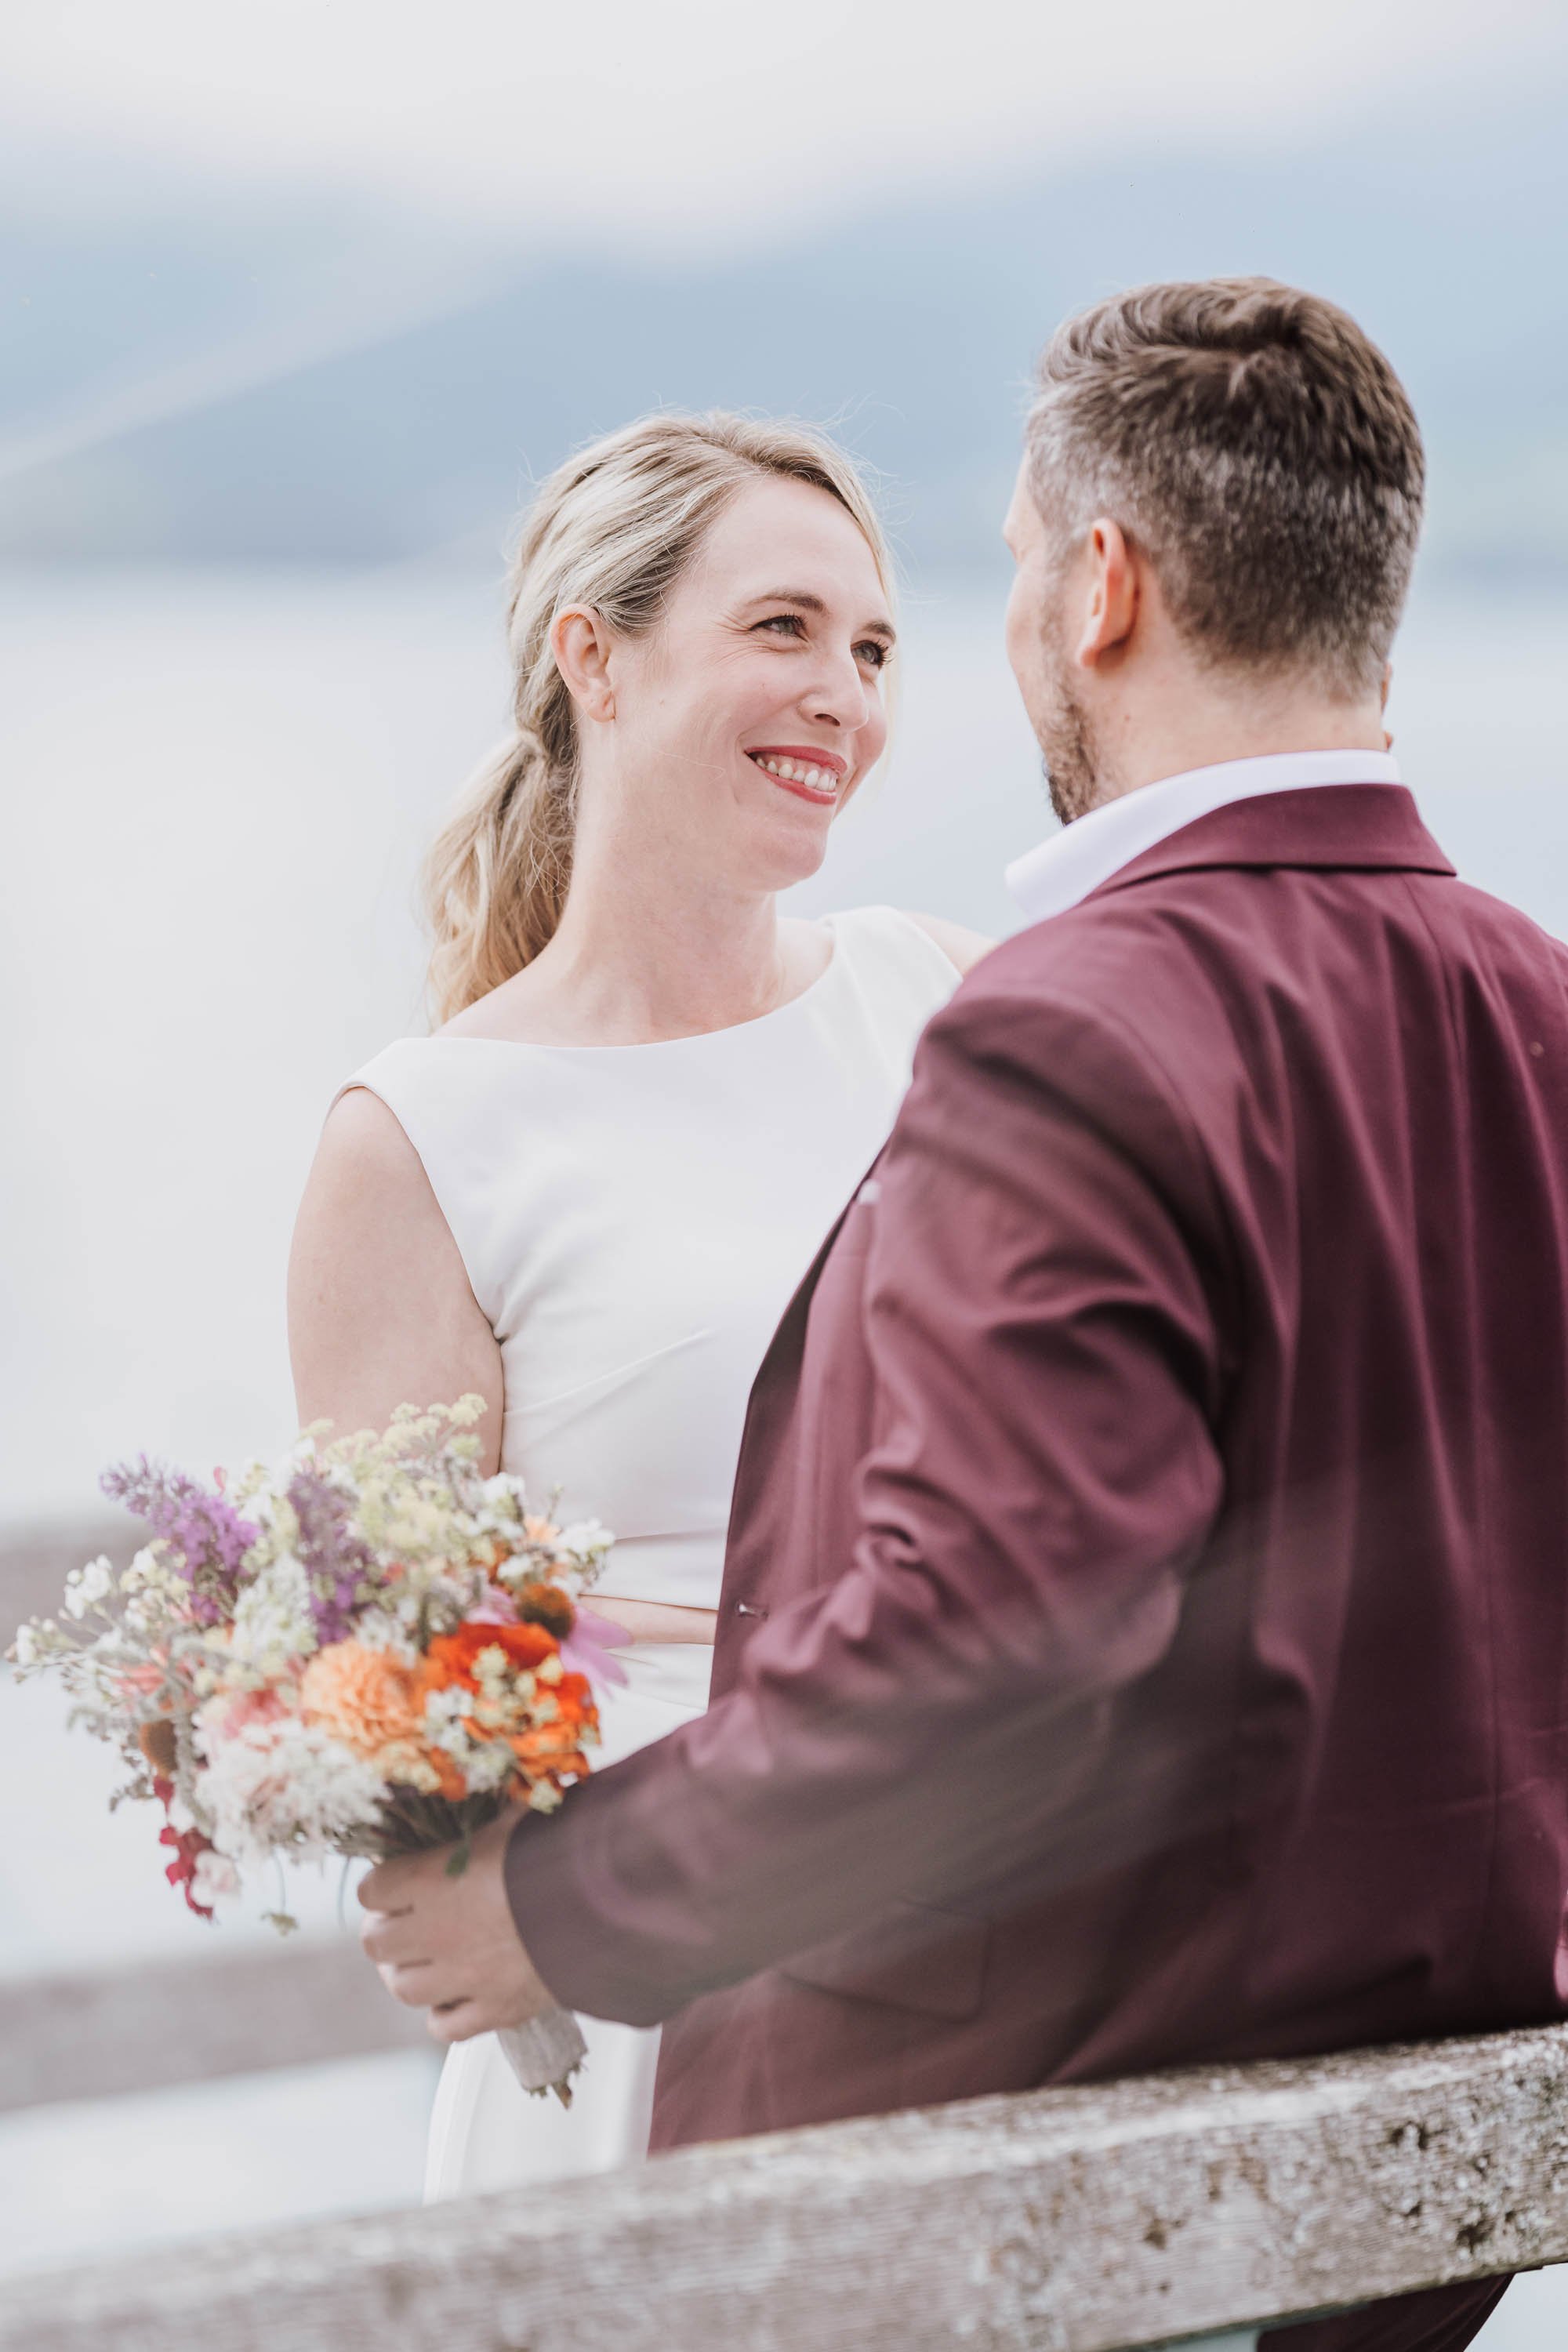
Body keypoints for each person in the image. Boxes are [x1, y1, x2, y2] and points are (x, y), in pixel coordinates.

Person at [358, 281, 1568, 2352]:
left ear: (1099, 586)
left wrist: (560, 1906)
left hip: (1051, 2175)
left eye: (991, 573)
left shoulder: (1069, 1025)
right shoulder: (1537, 1003)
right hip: (1421, 2202)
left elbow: (1000, 1639)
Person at [288, 411, 989, 2196]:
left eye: (873, 646)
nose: (844, 692)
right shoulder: (423, 1137)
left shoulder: (944, 1003)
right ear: (590, 658)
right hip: (644, 1993)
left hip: (987, 1929)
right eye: (782, 629)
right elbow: (408, 1707)